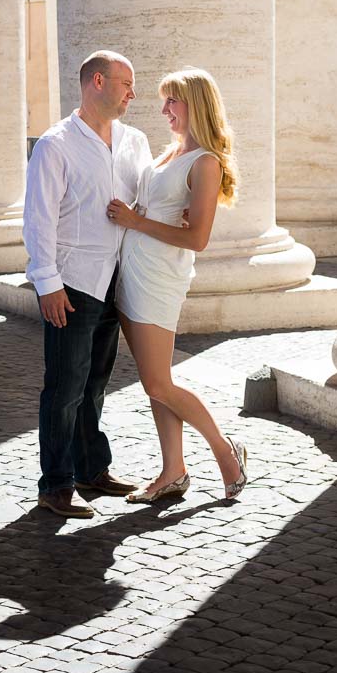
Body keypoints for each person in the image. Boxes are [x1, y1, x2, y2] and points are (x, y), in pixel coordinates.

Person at [107, 66, 248, 503]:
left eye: (173, 100)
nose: (164, 109)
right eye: (164, 100)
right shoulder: (170, 152)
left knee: (158, 384)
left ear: (196, 105)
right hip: (132, 270)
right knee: (156, 380)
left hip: (159, 277)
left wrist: (135, 220)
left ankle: (225, 451)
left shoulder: (205, 161)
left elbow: (197, 238)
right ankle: (173, 471)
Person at [24, 50, 152, 519]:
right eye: (126, 83)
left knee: (96, 381)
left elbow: (146, 199)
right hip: (72, 282)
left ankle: (90, 468)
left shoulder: (135, 141)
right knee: (64, 388)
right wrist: (47, 283)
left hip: (118, 278)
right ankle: (56, 484)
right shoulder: (55, 145)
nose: (132, 94)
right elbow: (38, 219)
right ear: (97, 82)